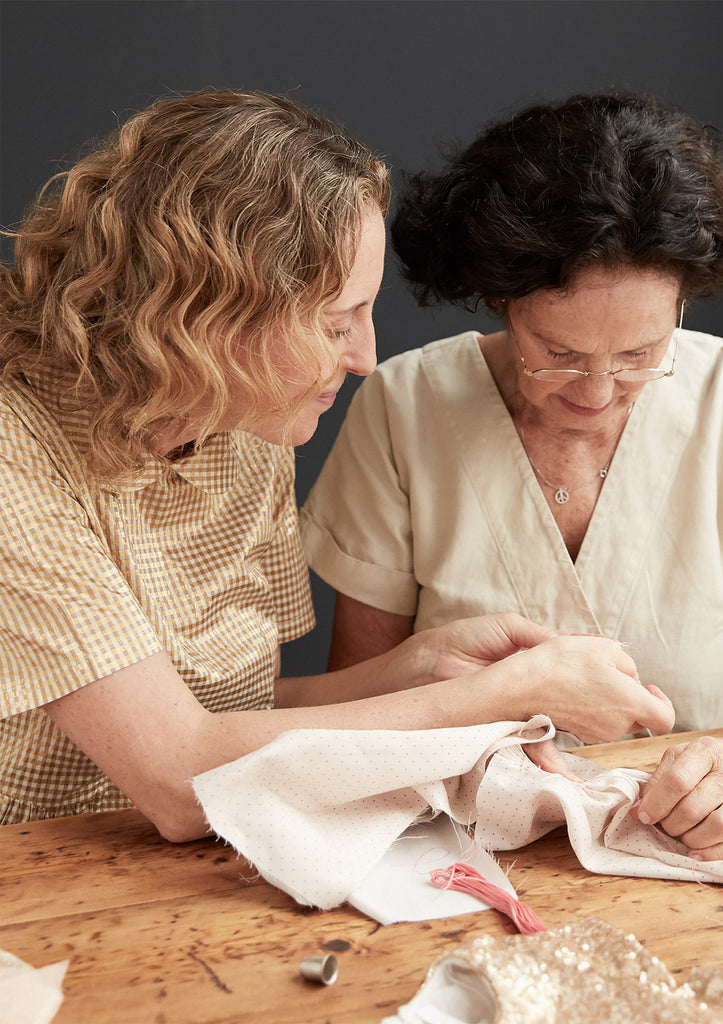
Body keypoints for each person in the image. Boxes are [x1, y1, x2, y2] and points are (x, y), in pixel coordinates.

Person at [0, 90, 675, 840]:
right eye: (334, 323)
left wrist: (419, 669)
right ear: (205, 316)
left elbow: (235, 720)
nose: (365, 358)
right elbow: (180, 776)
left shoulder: (247, 416)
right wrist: (499, 698)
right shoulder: (15, 455)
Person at [300, 93, 723, 861]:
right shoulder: (408, 405)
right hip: (453, 845)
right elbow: (361, 698)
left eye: (637, 356)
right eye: (557, 352)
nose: (595, 392)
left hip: (692, 842)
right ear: (500, 297)